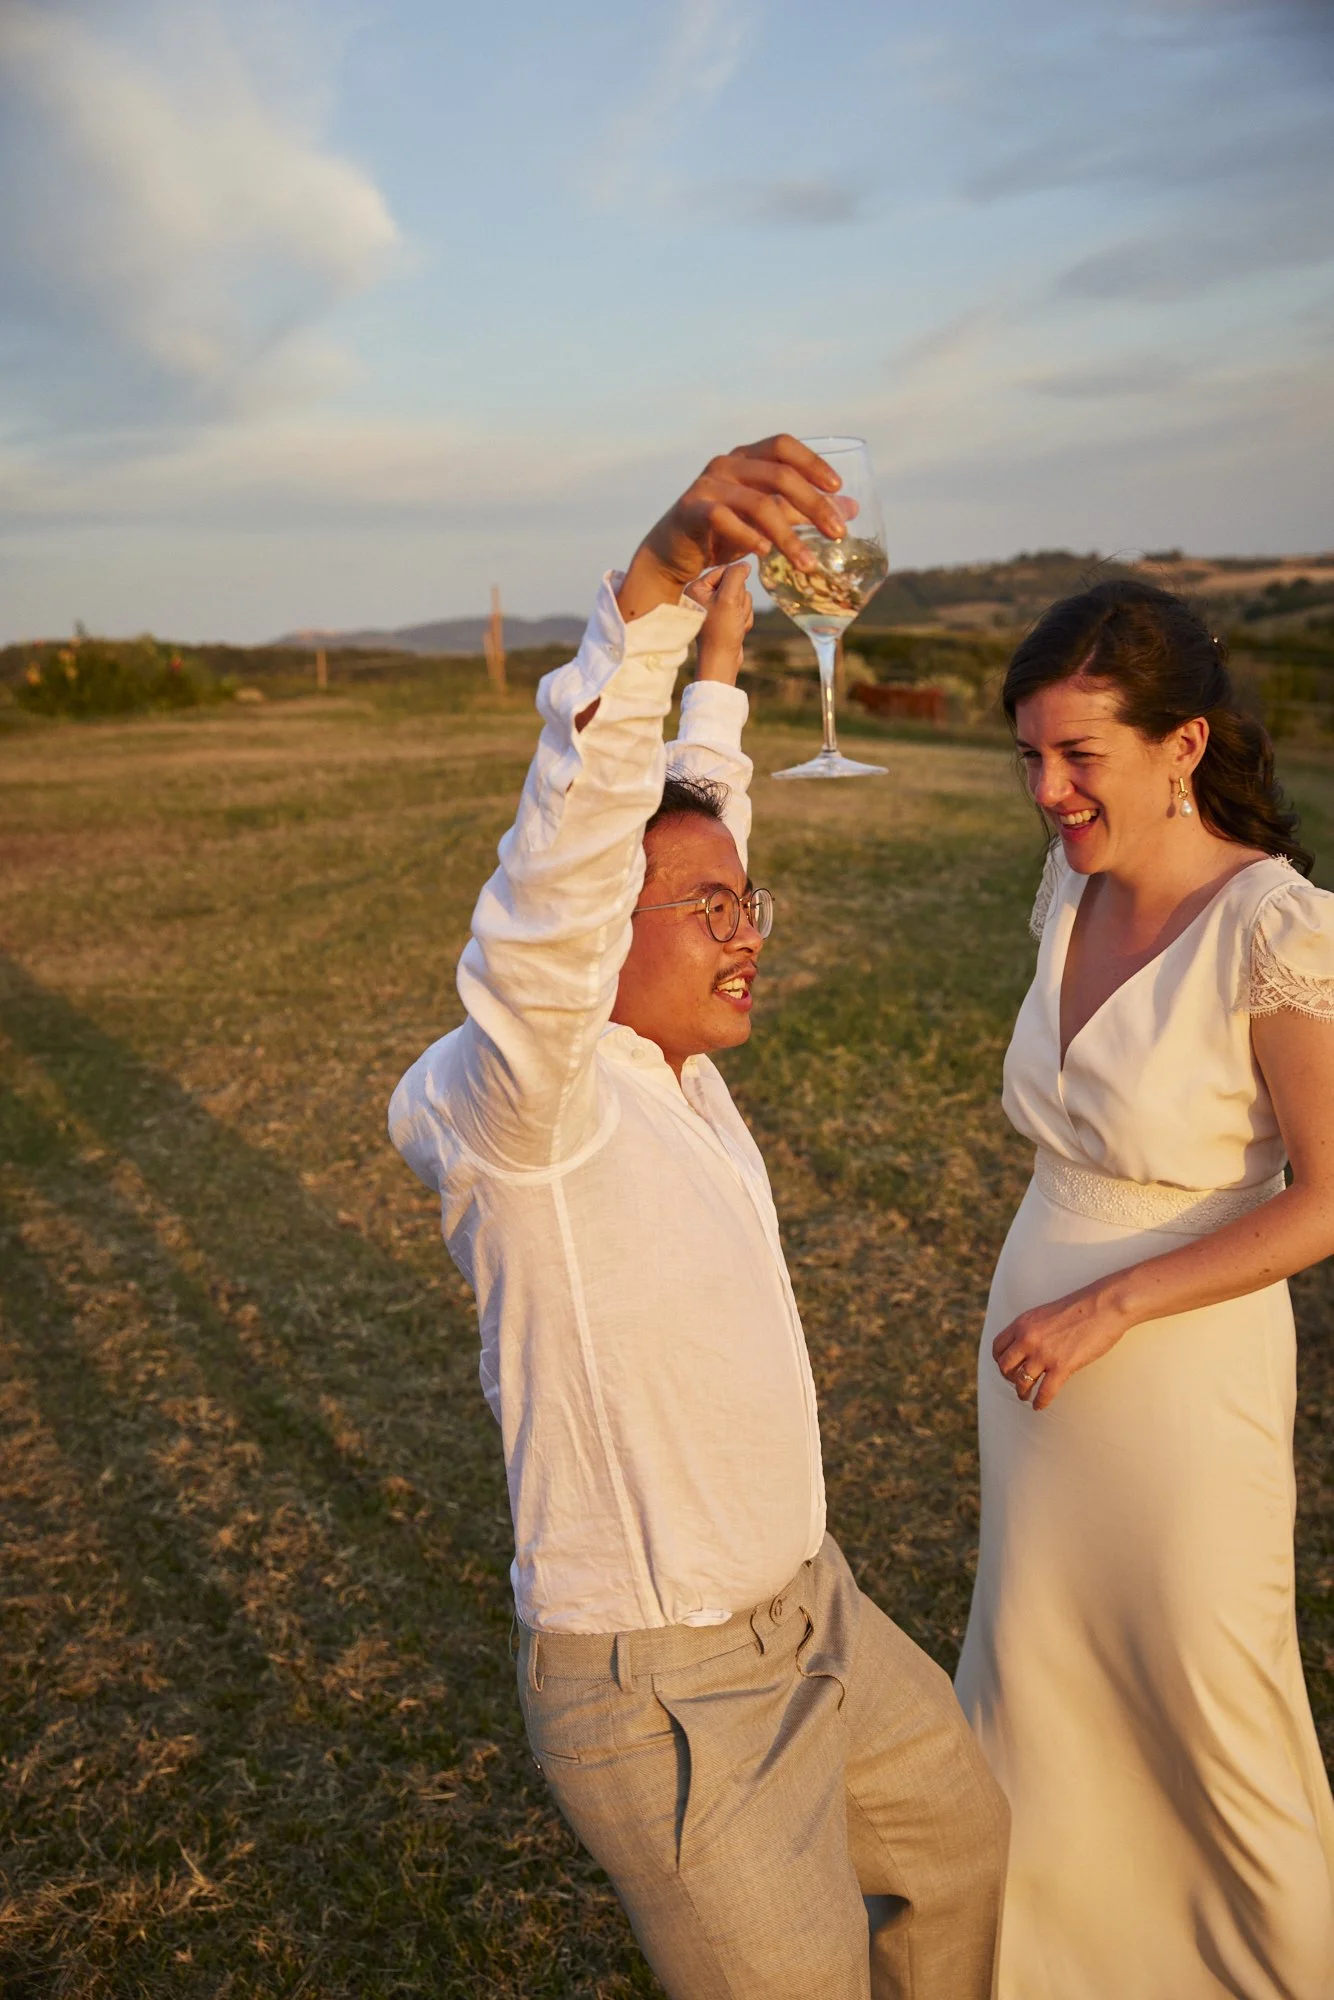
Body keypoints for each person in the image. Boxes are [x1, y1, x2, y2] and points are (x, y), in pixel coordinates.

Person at [389, 436, 1008, 1999]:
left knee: (962, 1854)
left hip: (822, 1612)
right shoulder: (537, 1103)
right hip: (670, 1695)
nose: (750, 938)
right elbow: (576, 862)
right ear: (603, 941)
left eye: (753, 906)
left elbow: (686, 815)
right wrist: (654, 594)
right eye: (714, 915)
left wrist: (724, 661)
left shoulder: (667, 1060)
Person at [954, 578, 1334, 1998]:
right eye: (1029, 758)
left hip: (1180, 1383)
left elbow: (1324, 1201)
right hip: (1036, 1387)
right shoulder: (1072, 883)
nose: (1047, 792)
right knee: (1038, 1677)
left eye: (1077, 757)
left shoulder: (1276, 929)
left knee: (1203, 1699)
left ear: (1181, 747)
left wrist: (1113, 1305)